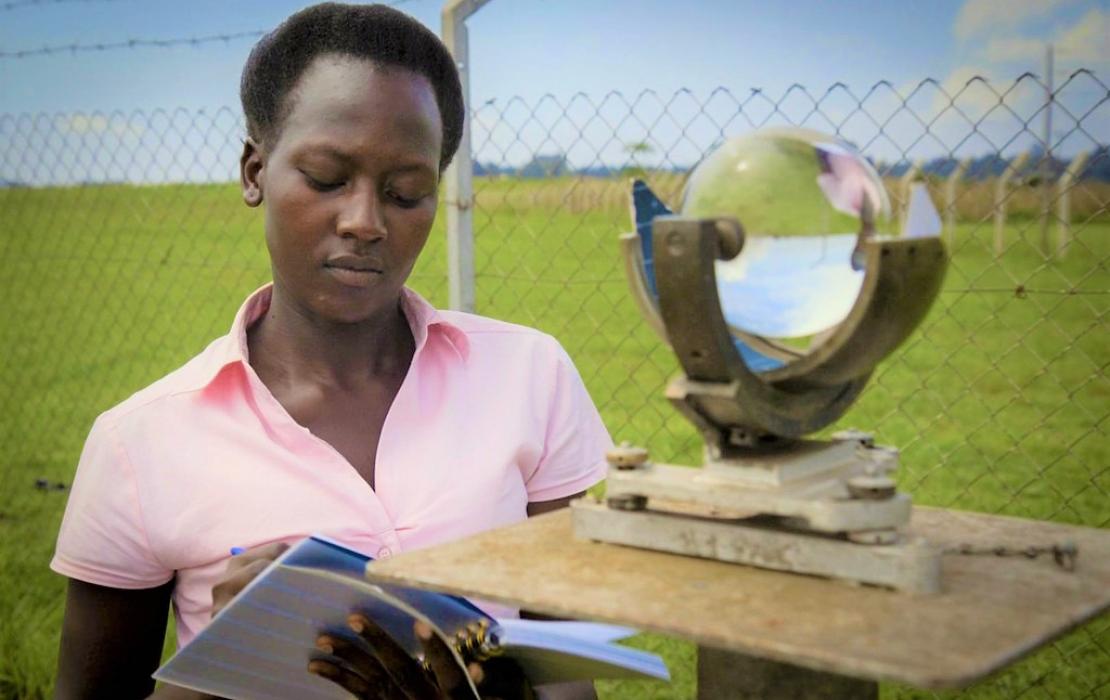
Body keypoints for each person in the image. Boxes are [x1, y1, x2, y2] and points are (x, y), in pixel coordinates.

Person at [50, 4, 611, 698]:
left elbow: (568, 681)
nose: (365, 222)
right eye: (325, 179)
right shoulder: (140, 443)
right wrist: (233, 663)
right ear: (255, 171)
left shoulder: (531, 376)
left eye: (406, 192)